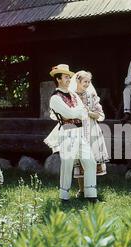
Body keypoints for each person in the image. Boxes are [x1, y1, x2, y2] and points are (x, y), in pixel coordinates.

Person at [48, 64, 98, 202]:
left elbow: (84, 112)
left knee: (90, 162)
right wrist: (78, 112)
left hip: (79, 132)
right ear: (58, 79)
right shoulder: (55, 98)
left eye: (69, 77)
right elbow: (70, 113)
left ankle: (91, 195)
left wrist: (78, 112)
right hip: (67, 131)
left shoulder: (74, 94)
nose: (69, 79)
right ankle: (64, 196)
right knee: (67, 164)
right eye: (66, 77)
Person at [69, 70, 109, 197]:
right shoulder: (72, 96)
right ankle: (81, 190)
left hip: (91, 129)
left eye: (88, 81)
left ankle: (91, 187)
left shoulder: (91, 96)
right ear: (78, 82)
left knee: (92, 159)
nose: (87, 84)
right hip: (78, 129)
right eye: (84, 81)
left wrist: (88, 113)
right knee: (79, 160)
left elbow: (99, 114)